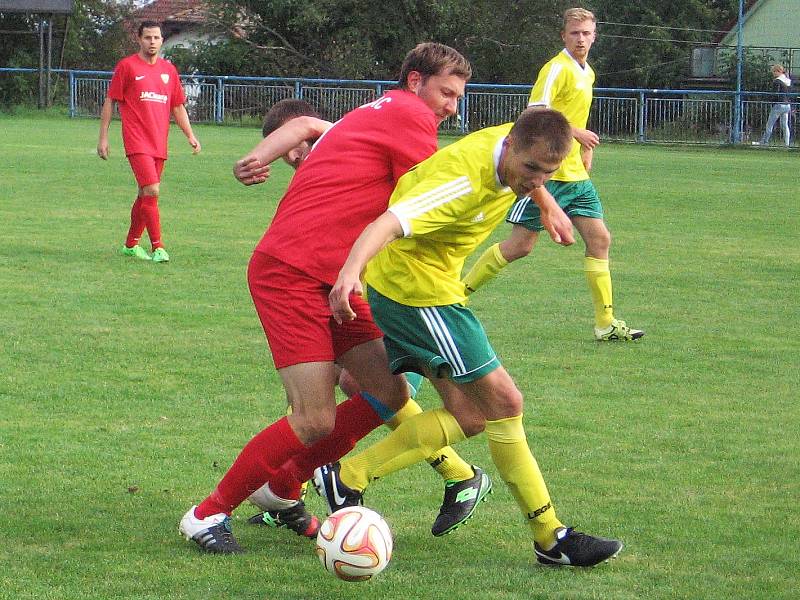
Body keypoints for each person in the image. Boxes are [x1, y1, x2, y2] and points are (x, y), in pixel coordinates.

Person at [179, 43, 491, 554]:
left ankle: (281, 487)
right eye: (446, 93)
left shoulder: (373, 114)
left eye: (458, 97)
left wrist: (259, 156)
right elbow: (436, 196)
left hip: (334, 280)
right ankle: (206, 513)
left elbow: (303, 126)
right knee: (314, 416)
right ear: (415, 82)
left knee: (389, 392)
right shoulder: (410, 115)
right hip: (292, 274)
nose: (451, 106)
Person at [320, 107, 623, 568]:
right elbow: (385, 224)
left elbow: (534, 153)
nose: (536, 180)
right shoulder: (460, 182)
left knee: (470, 416)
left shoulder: (517, 143)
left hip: (428, 288)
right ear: (513, 149)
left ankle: (349, 475)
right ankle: (550, 536)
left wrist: (550, 204)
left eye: (548, 173)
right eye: (531, 171)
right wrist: (348, 275)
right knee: (505, 402)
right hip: (418, 295)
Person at [241, 98, 484, 535]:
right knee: (340, 392)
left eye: (295, 150)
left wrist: (261, 156)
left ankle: (455, 473)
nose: (294, 159)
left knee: (358, 391)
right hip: (344, 282)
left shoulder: (355, 142)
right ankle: (289, 488)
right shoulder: (327, 173)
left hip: (378, 286)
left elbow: (307, 126)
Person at [461, 8, 643, 342]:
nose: (581, 39)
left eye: (587, 33)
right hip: (548, 175)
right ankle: (458, 294)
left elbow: (575, 115)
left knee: (600, 239)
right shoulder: (556, 69)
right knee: (519, 247)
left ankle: (605, 323)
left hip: (575, 176)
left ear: (595, 35)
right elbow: (535, 113)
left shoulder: (587, 72)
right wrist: (575, 132)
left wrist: (585, 146)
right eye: (575, 33)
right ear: (564, 36)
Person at [97, 20, 201, 263]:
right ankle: (158, 247)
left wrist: (190, 135)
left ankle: (131, 245)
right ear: (139, 39)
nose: (152, 42)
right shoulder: (127, 67)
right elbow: (110, 101)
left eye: (156, 38)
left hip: (158, 142)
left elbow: (178, 106)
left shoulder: (169, 70)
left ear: (162, 40)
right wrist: (103, 138)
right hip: (136, 140)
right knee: (152, 190)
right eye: (147, 38)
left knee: (145, 194)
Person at [759, 64, 793, 147]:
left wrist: (771, 101)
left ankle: (764, 141)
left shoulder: (777, 81)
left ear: (778, 71)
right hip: (787, 105)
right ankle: (787, 143)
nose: (773, 74)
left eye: (774, 71)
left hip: (779, 105)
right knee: (785, 125)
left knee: (770, 124)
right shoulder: (788, 80)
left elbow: (775, 94)